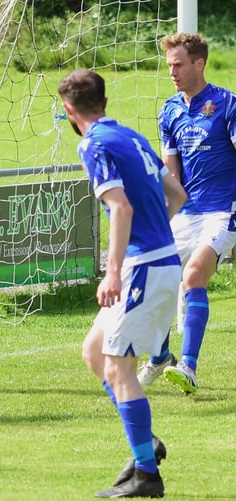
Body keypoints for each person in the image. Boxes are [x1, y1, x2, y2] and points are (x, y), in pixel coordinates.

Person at [58, 69, 187, 497]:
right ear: (105, 102)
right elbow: (177, 195)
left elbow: (121, 207)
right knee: (94, 351)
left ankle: (147, 475)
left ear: (69, 110)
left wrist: (114, 270)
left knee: (119, 366)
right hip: (158, 261)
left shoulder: (92, 144)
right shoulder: (131, 136)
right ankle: (145, 443)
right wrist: (156, 239)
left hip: (142, 268)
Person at [136, 33, 236, 394]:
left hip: (222, 211)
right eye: (169, 66)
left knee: (193, 276)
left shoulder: (227, 105)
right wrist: (160, 218)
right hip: (185, 212)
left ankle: (189, 368)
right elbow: (171, 174)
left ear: (199, 63)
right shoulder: (169, 110)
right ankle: (161, 357)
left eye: (178, 64)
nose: (172, 71)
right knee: (156, 283)